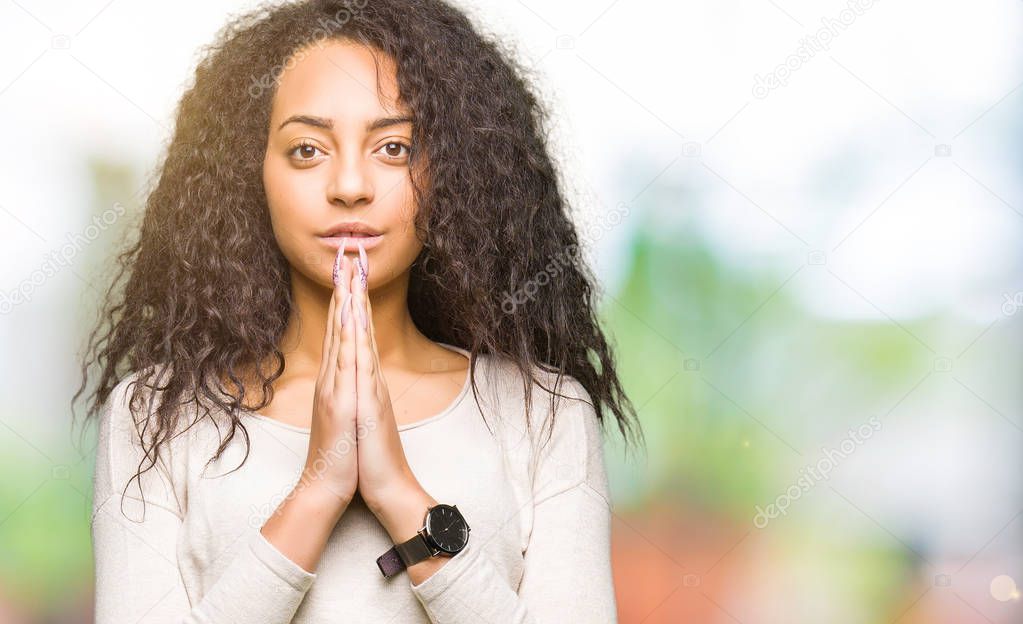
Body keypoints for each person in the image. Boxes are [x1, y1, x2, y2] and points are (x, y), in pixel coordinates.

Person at [76, 0, 643, 621]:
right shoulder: (154, 418)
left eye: (394, 147)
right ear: (251, 173)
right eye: (307, 150)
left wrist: (398, 492)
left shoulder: (545, 413)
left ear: (452, 172)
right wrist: (319, 490)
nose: (350, 184)